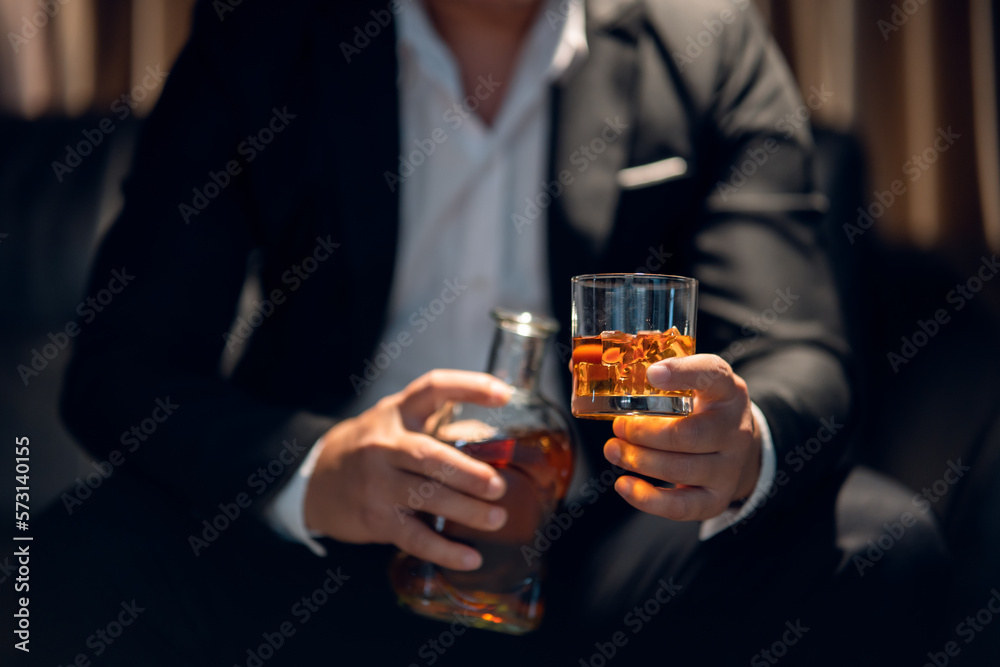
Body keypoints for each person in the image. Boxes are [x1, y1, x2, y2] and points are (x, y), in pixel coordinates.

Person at [14, 0, 948, 665]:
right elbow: (120, 369)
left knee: (880, 542)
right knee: (70, 553)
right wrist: (314, 469)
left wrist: (741, 442)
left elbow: (803, 350)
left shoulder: (706, 35)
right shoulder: (263, 29)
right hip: (323, 558)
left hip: (605, 559)